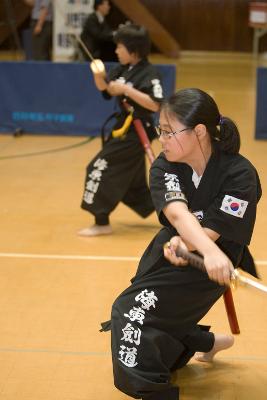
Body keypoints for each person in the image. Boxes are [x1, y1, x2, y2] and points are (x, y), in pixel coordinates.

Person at [103, 88, 262, 399]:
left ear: (199, 132)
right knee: (150, 307)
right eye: (161, 131)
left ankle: (153, 392)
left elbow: (214, 232)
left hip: (211, 264)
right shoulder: (165, 165)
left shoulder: (241, 174)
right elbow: (177, 214)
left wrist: (203, 249)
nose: (162, 139)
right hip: (173, 249)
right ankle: (207, 343)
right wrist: (187, 241)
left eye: (169, 131)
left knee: (129, 310)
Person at [78, 24, 164, 237]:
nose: (116, 50)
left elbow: (155, 104)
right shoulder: (122, 69)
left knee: (97, 168)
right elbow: (107, 90)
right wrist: (99, 75)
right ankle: (173, 213)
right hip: (122, 128)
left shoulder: (149, 73)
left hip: (136, 131)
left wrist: (126, 89)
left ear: (133, 50)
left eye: (120, 47)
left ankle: (101, 221)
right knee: (132, 178)